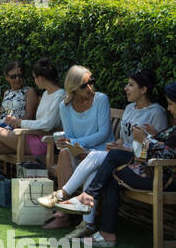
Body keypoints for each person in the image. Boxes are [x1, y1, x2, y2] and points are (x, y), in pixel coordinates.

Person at [39, 68, 167, 238]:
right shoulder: (130, 108)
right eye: (85, 85)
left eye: (130, 85)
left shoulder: (157, 113)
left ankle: (62, 196)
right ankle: (86, 223)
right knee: (77, 158)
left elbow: (158, 149)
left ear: (143, 89)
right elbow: (123, 138)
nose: (125, 88)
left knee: (94, 160)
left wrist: (127, 147)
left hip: (135, 163)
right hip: (116, 156)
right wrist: (118, 144)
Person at [0, 59, 62, 186]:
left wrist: (19, 123)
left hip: (42, 141)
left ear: (41, 78)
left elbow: (48, 125)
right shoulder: (47, 94)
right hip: (30, 136)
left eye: (34, 77)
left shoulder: (59, 95)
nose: (34, 80)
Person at [38, 65, 112, 231]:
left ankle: (84, 222)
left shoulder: (101, 99)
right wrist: (71, 145)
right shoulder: (65, 106)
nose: (90, 88)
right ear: (73, 88)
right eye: (84, 85)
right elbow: (70, 135)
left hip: (100, 154)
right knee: (64, 152)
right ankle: (63, 215)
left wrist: (80, 146)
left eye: (91, 82)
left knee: (90, 170)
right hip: (79, 153)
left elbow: (104, 133)